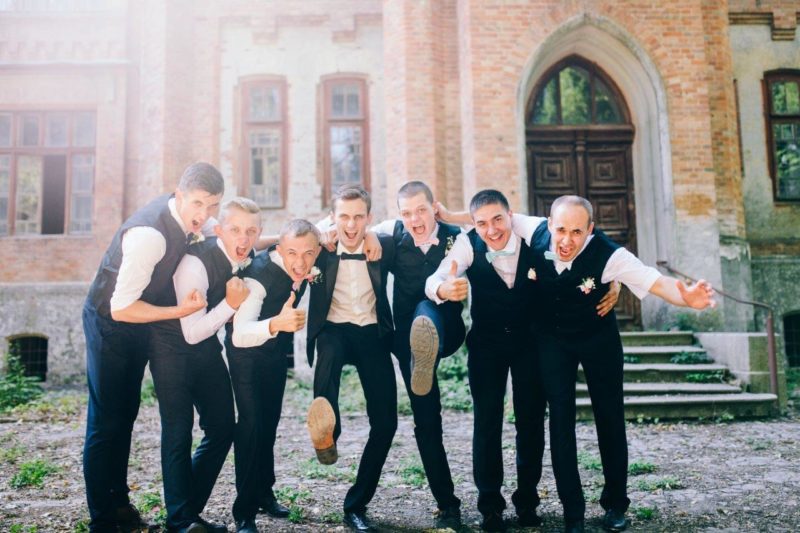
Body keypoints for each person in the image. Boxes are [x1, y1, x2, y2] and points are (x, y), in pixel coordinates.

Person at [514, 195, 715, 533]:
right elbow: (493, 214)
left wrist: (687, 299)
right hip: (553, 340)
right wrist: (444, 214)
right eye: (560, 229)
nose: (566, 240)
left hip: (598, 338)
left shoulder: (611, 255)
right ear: (548, 224)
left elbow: (656, 281)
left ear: (590, 230)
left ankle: (615, 504)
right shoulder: (534, 231)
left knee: (610, 417)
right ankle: (572, 512)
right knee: (560, 420)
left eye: (577, 232)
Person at [82, 162, 223, 532]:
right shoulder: (150, 236)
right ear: (179, 196)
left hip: (140, 323)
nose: (204, 214)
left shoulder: (193, 217)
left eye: (212, 206)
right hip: (109, 323)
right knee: (105, 421)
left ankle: (120, 506)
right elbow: (121, 307)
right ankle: (103, 519)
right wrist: (181, 311)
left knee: (125, 415)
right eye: (197, 204)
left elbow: (228, 233)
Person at [424, 189, 547, 532]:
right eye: (482, 223)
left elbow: (580, 239)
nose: (492, 230)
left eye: (498, 220)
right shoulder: (466, 244)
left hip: (529, 343)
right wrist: (444, 290)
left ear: (511, 215)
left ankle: (527, 502)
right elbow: (433, 280)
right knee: (487, 422)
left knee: (531, 421)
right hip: (487, 345)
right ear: (473, 223)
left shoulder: (534, 236)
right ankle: (490, 505)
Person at [149, 198, 259, 532]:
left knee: (223, 426)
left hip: (205, 348)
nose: (243, 238)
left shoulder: (244, 251)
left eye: (251, 231)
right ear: (218, 229)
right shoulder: (193, 264)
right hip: (171, 347)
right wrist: (231, 304)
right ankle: (182, 520)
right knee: (178, 431)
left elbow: (271, 243)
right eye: (235, 230)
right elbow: (192, 330)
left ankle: (184, 515)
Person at [370, 181, 465, 528]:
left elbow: (503, 222)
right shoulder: (393, 235)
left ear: (434, 208)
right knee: (428, 420)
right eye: (407, 213)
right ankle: (447, 503)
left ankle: (425, 333)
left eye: (421, 210)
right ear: (399, 215)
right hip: (409, 350)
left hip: (448, 331)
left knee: (427, 307)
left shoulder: (457, 236)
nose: (415, 219)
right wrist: (365, 236)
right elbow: (345, 227)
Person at [305, 185, 396, 533]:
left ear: (370, 218)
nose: (352, 224)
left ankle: (356, 504)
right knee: (328, 358)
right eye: (344, 216)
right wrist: (320, 229)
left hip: (372, 332)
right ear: (333, 218)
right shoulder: (321, 246)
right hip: (334, 329)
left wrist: (374, 233)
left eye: (359, 217)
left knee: (386, 422)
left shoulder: (381, 243)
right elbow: (295, 235)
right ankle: (327, 432)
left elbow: (402, 227)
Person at [227, 219, 322, 533]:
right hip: (246, 356)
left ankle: (264, 492)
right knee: (251, 428)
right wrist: (276, 324)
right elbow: (240, 334)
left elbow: (329, 223)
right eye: (293, 253)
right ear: (280, 249)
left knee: (269, 424)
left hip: (273, 354)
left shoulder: (304, 259)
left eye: (308, 254)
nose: (300, 262)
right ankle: (244, 513)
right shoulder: (258, 279)